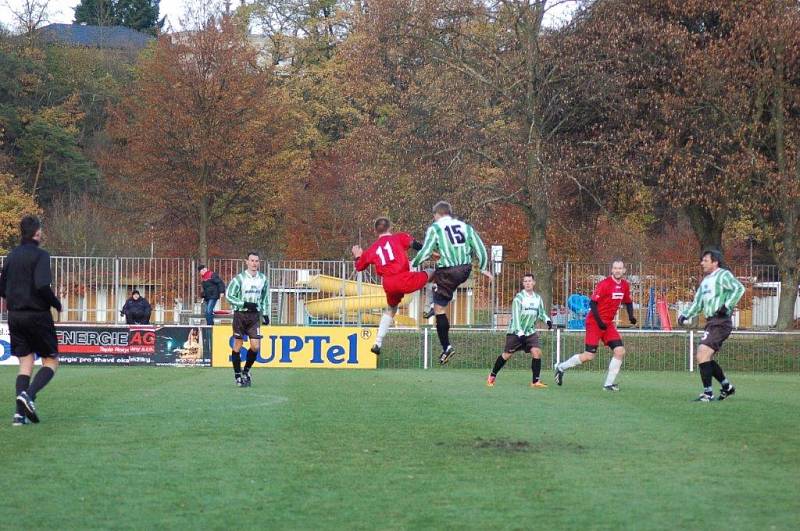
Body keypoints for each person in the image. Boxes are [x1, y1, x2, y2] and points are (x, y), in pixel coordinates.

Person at [410, 201, 492, 365]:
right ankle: (432, 304)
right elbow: (480, 248)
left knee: (440, 308)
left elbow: (426, 251)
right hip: (464, 270)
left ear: (437, 215)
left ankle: (446, 346)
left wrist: (413, 264)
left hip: (448, 271)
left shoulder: (436, 228)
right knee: (433, 276)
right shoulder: (465, 227)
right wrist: (482, 267)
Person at [0, 215, 62, 426]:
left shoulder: (10, 256)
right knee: (51, 361)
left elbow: (2, 289)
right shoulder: (41, 255)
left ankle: (19, 415)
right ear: (37, 232)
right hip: (37, 315)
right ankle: (29, 396)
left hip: (15, 316)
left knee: (25, 363)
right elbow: (42, 285)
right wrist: (55, 303)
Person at [352, 217, 433, 356]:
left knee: (391, 309)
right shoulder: (399, 237)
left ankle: (378, 343)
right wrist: (431, 252)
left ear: (375, 231)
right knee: (433, 273)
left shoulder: (373, 249)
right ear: (390, 227)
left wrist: (358, 256)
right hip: (403, 277)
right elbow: (416, 245)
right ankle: (428, 308)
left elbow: (359, 267)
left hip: (388, 283)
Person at [554, 260, 637, 391]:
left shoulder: (625, 285)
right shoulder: (604, 284)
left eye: (620, 268)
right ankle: (561, 367)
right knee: (589, 356)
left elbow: (628, 302)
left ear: (624, 270)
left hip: (607, 324)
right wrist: (600, 323)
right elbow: (593, 304)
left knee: (620, 351)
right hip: (594, 323)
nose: (617, 270)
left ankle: (608, 385)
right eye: (615, 268)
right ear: (612, 270)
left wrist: (631, 316)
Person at [678, 249, 744, 402]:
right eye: (702, 260)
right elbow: (698, 303)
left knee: (702, 354)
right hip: (711, 322)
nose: (702, 263)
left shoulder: (723, 275)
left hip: (721, 321)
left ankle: (708, 394)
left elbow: (739, 288)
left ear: (715, 262)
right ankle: (727, 387)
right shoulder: (706, 281)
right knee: (704, 356)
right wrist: (685, 314)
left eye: (705, 260)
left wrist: (727, 306)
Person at [487, 273, 552, 388]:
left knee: (536, 352)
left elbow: (541, 313)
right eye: (525, 281)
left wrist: (547, 320)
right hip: (516, 332)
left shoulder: (538, 298)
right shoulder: (518, 298)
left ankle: (535, 381)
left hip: (530, 332)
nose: (527, 283)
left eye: (529, 281)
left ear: (534, 283)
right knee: (507, 355)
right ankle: (492, 375)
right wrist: (520, 333)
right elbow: (516, 317)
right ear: (523, 284)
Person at [225, 251, 270, 387]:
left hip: (254, 316)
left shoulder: (263, 279)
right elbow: (229, 295)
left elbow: (265, 298)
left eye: (256, 261)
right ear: (247, 262)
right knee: (238, 345)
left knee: (256, 346)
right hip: (240, 315)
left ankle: (246, 371)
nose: (254, 263)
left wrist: (265, 313)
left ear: (259, 263)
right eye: (252, 260)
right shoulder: (239, 279)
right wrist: (243, 304)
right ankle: (237, 375)